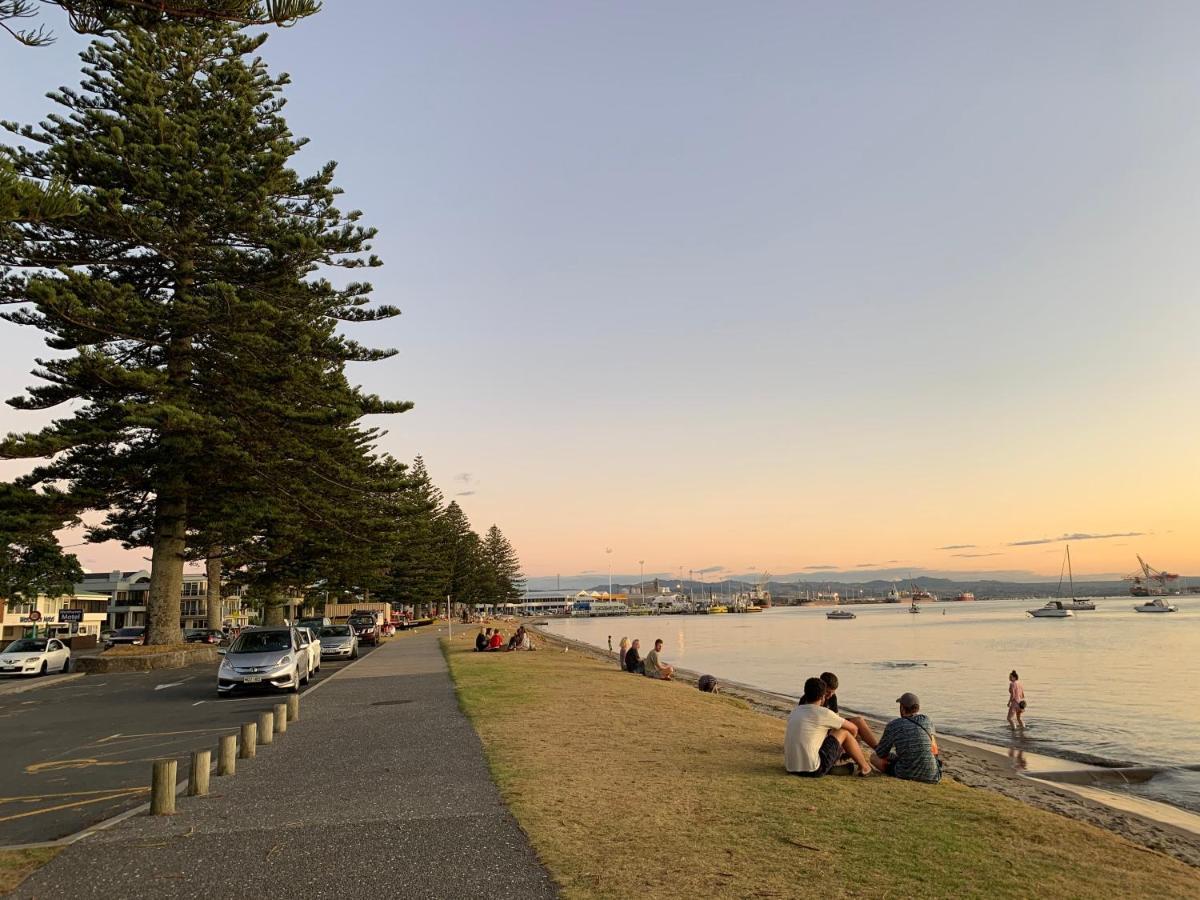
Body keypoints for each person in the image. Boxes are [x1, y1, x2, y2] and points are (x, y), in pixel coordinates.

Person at [785, 676, 871, 777]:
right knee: (843, 731)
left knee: (834, 733)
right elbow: (854, 728)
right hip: (813, 769)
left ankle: (846, 767)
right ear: (822, 697)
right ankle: (865, 767)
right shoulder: (824, 713)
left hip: (791, 767)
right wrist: (843, 749)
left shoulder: (795, 712)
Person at [870, 692, 942, 783]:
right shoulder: (927, 721)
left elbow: (880, 753)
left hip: (905, 773)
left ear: (903, 709)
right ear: (917, 708)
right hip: (933, 776)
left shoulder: (894, 725)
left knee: (873, 757)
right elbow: (934, 749)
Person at [820, 672, 878, 749]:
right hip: (820, 728)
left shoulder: (832, 697)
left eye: (833, 692)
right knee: (850, 731)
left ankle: (879, 750)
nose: (830, 695)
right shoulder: (812, 697)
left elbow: (836, 717)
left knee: (859, 721)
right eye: (827, 692)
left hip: (831, 725)